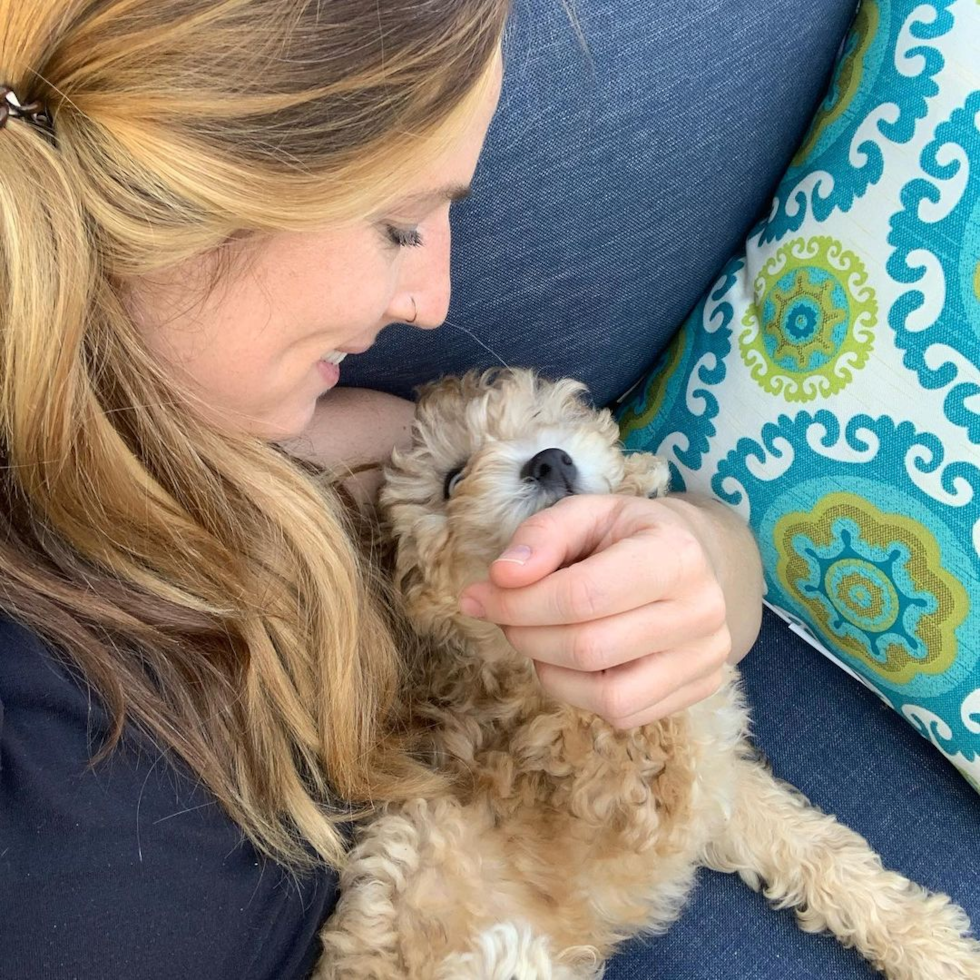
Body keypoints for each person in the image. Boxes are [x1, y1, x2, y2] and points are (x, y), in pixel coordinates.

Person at [0, 1, 763, 976]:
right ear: (197, 200)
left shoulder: (287, 450)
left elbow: (644, 528)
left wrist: (697, 564)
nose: (431, 303)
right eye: (400, 226)